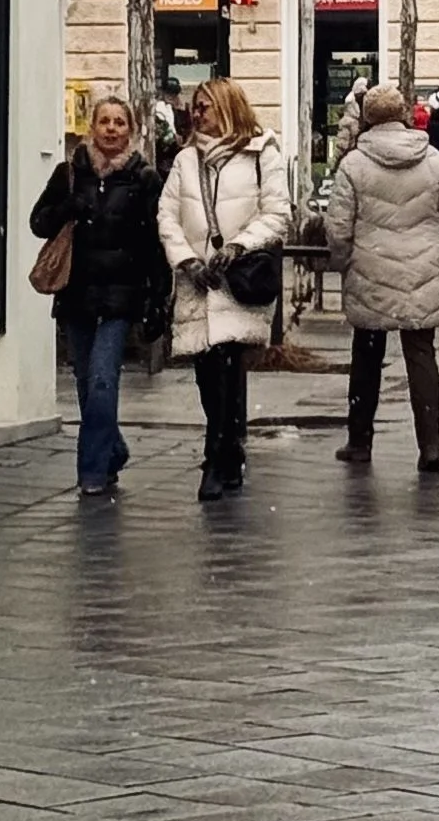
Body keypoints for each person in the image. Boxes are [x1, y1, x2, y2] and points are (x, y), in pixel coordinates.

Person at [156, 77, 291, 503]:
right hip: (199, 281)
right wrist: (187, 260)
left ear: (228, 107)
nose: (197, 114)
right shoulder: (185, 161)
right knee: (207, 370)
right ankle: (230, 448)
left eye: (206, 106)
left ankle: (217, 455)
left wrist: (238, 246)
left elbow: (277, 212)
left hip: (238, 278)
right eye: (195, 107)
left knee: (227, 364)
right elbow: (168, 216)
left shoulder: (260, 153)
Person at [321, 85, 439, 474]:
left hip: (370, 267)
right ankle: (431, 445)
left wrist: (344, 263)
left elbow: (338, 228)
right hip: (423, 269)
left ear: (367, 117)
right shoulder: (433, 160)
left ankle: (360, 440)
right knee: (422, 356)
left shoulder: (353, 164)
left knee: (366, 356)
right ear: (402, 114)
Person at [31, 92, 164, 498]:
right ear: (92, 128)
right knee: (87, 384)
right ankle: (113, 450)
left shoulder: (144, 179)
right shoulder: (70, 173)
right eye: (104, 121)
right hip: (76, 294)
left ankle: (91, 473)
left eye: (119, 122)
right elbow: (38, 223)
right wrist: (68, 206)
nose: (111, 129)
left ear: (131, 130)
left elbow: (156, 243)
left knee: (104, 380)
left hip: (121, 296)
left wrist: (158, 298)